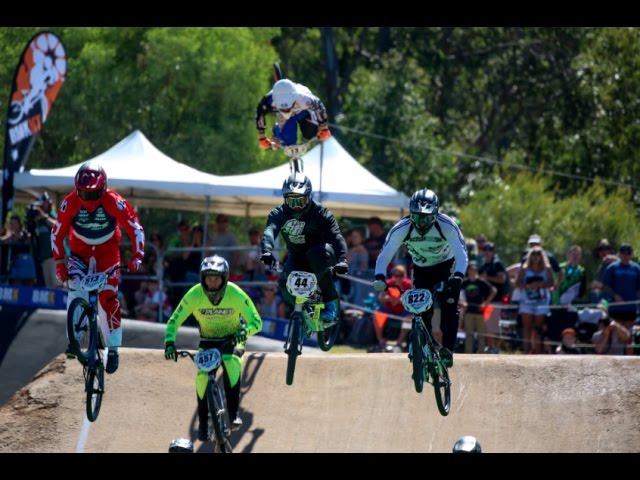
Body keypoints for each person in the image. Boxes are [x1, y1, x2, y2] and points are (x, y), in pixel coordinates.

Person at [52, 161, 145, 374]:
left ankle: (113, 349)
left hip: (108, 253)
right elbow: (56, 233)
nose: (88, 201)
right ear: (77, 189)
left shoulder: (115, 201)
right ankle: (74, 340)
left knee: (108, 297)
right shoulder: (69, 202)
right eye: (83, 194)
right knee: (75, 289)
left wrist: (137, 255)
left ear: (103, 189)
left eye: (93, 195)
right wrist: (59, 263)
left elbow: (135, 228)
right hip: (79, 253)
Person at [164, 255, 262, 440]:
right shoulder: (194, 294)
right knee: (202, 377)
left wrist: (245, 331)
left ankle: (233, 414)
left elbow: (257, 322)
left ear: (224, 278)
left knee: (230, 361)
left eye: (216, 278)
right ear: (202, 278)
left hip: (233, 338)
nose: (212, 282)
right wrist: (169, 342)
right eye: (208, 278)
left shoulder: (235, 293)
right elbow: (174, 320)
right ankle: (203, 424)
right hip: (208, 340)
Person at [373, 188, 468, 368]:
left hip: (446, 267)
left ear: (436, 213)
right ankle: (423, 346)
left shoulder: (446, 225)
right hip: (421, 269)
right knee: (421, 310)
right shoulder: (401, 228)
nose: (422, 222)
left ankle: (447, 349)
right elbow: (384, 255)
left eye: (426, 217)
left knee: (449, 305)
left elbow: (462, 254)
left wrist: (458, 276)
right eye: (417, 217)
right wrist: (380, 276)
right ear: (411, 214)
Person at [259, 173, 348, 326]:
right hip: (297, 256)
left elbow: (336, 236)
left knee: (316, 254)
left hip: (322, 255)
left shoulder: (321, 213)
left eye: (300, 200)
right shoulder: (278, 213)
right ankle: (304, 307)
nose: (296, 206)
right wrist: (266, 251)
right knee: (283, 284)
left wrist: (343, 259)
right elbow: (269, 231)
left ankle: (331, 305)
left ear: (309, 197)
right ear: (284, 199)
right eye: (291, 201)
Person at [256, 78, 331, 149]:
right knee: (287, 143)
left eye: (288, 108)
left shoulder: (305, 98)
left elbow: (320, 107)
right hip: (286, 118)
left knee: (311, 134)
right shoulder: (268, 100)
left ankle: (280, 132)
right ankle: (277, 134)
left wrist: (324, 127)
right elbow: (260, 113)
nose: (286, 110)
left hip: (304, 112)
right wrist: (261, 136)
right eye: (283, 109)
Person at [516, 247, 555, 354]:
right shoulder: (524, 269)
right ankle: (526, 351)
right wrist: (529, 285)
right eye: (533, 254)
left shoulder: (547, 269)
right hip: (526, 302)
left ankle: (537, 352)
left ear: (542, 256)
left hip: (542, 302)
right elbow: (518, 283)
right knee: (527, 327)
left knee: (538, 328)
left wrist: (541, 285)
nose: (536, 256)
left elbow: (552, 283)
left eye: (538, 254)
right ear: (530, 256)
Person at [460, 261, 497, 354]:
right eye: (470, 269)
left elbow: (493, 290)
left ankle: (481, 354)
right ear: (468, 271)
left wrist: (485, 303)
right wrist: (462, 302)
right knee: (469, 335)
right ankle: (468, 354)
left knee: (481, 335)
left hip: (480, 311)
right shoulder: (464, 282)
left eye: (474, 269)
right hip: (468, 311)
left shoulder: (481, 282)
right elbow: (457, 294)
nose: (472, 271)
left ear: (476, 271)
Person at [601, 244, 640, 331]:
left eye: (628, 253)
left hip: (631, 307)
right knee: (615, 332)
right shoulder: (612, 267)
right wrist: (615, 295)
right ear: (619, 254)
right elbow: (605, 286)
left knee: (628, 334)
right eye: (623, 253)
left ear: (631, 255)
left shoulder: (636, 268)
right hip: (615, 307)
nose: (626, 256)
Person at [29, 192, 59, 288]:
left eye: (43, 203)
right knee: (49, 286)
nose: (41, 206)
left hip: (54, 257)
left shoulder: (52, 214)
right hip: (44, 257)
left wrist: (44, 217)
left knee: (56, 285)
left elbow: (58, 226)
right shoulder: (38, 220)